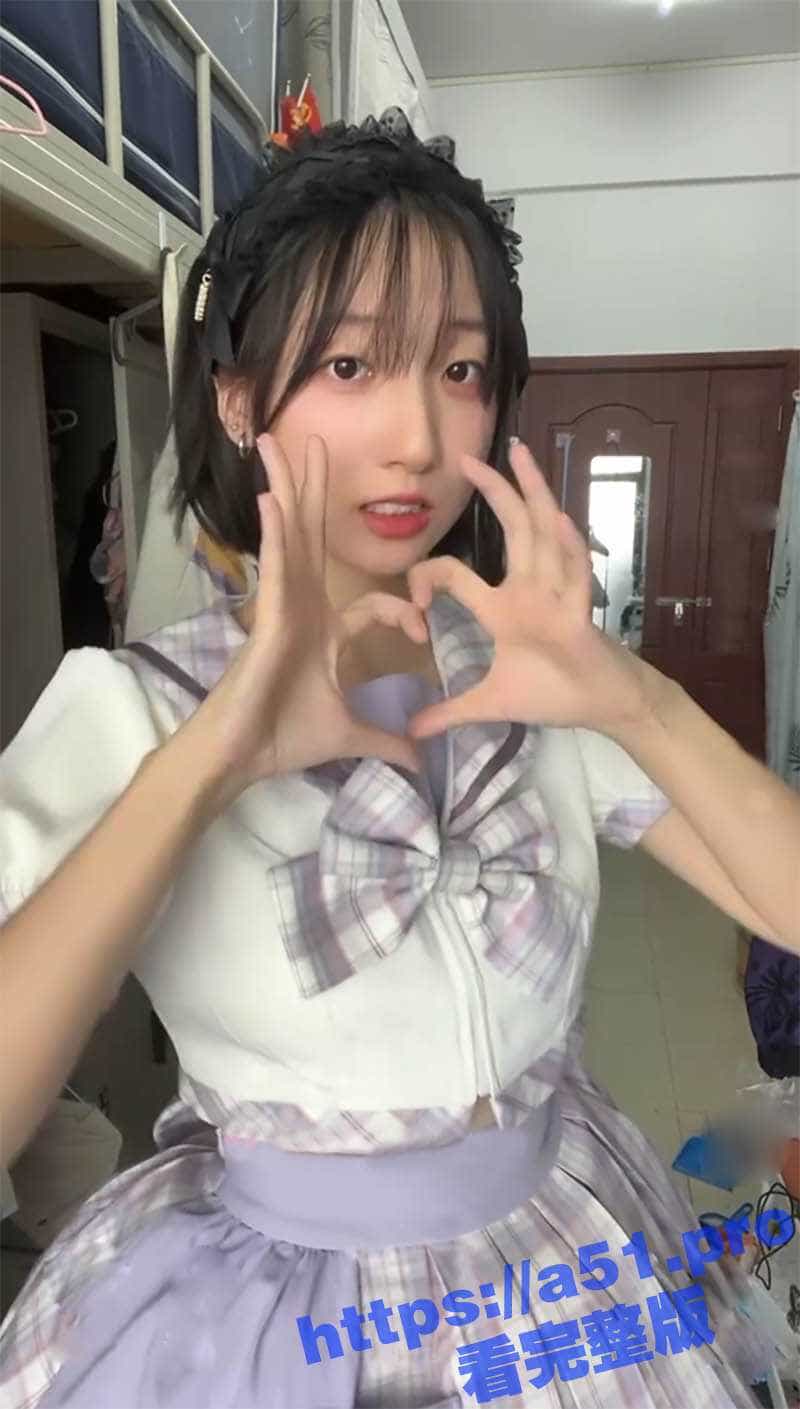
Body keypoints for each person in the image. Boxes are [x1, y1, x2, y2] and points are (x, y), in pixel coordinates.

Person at [0, 109, 797, 1408]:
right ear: (238, 397)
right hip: (276, 1326)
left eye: (461, 370)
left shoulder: (535, 676)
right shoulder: (130, 709)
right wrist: (210, 760)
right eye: (351, 363)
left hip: (566, 1260)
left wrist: (631, 696)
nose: (419, 437)